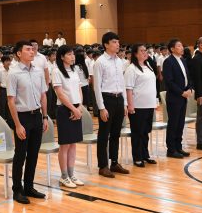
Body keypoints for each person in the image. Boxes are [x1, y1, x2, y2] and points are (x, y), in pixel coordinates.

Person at [7, 40, 49, 205]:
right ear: (19, 53)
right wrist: (17, 125)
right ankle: (17, 190)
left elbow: (43, 95)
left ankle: (29, 187)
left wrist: (45, 117)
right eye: (28, 49)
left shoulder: (38, 71)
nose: (32, 52)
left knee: (33, 154)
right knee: (20, 155)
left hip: (36, 116)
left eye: (33, 49)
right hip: (22, 117)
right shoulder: (14, 73)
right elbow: (11, 101)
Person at [93, 32, 129, 177]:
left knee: (116, 133)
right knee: (104, 134)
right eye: (114, 42)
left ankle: (114, 162)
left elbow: (122, 83)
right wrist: (101, 108)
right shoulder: (100, 62)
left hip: (119, 98)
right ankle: (103, 166)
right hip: (107, 99)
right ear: (106, 44)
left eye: (118, 42)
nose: (117, 44)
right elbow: (97, 87)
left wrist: (125, 103)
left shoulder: (119, 61)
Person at [52, 45, 85, 187]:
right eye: (69, 54)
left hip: (76, 108)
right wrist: (73, 109)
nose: (73, 57)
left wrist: (80, 107)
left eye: (73, 54)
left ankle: (72, 174)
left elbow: (79, 89)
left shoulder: (74, 70)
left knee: (73, 144)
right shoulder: (56, 71)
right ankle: (64, 176)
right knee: (65, 145)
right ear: (61, 57)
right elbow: (60, 94)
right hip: (64, 109)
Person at [125, 43, 158, 167]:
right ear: (135, 54)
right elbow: (128, 89)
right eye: (142, 51)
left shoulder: (148, 65)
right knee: (137, 132)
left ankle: (145, 154)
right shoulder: (131, 69)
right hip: (138, 106)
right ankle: (137, 157)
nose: (145, 53)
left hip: (149, 105)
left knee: (145, 132)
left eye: (146, 50)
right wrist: (130, 105)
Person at [161, 39, 193, 159]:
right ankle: (171, 149)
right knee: (173, 123)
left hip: (184, 96)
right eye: (179, 46)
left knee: (180, 123)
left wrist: (189, 88)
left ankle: (178, 147)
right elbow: (169, 81)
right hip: (175, 97)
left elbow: (188, 77)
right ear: (172, 49)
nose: (182, 47)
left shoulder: (183, 60)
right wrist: (181, 92)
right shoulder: (168, 62)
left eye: (181, 45)